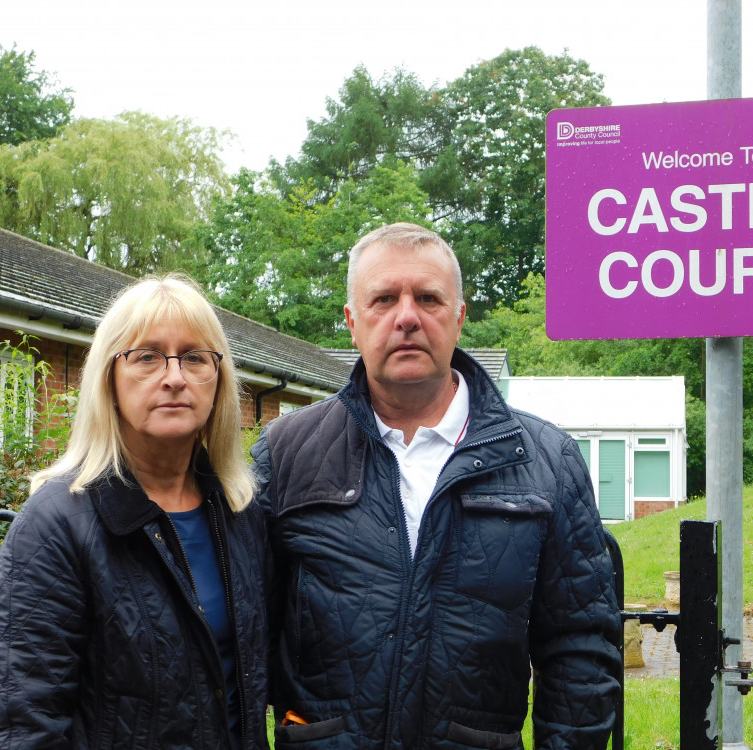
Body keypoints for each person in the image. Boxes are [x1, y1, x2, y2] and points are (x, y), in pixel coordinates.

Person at [253, 222, 620, 749]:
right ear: (353, 323)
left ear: (459, 317)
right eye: (383, 299)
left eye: (428, 298)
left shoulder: (547, 460)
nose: (406, 317)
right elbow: (245, 635)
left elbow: (581, 648)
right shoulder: (287, 452)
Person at [0, 274, 270, 750]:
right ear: (109, 379)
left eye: (195, 357)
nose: (174, 376)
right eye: (148, 356)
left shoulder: (239, 513)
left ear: (219, 381)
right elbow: (18, 728)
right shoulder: (55, 526)